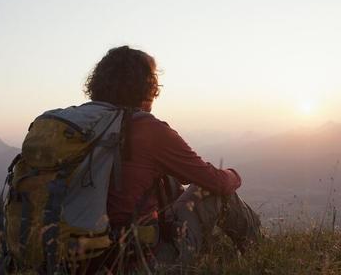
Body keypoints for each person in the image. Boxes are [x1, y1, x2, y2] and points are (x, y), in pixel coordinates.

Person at [83, 45, 261, 272]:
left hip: (77, 262)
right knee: (212, 193)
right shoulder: (147, 129)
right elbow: (215, 181)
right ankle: (260, 259)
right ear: (147, 85)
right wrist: (234, 175)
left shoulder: (80, 127)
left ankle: (219, 255)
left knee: (170, 182)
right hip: (135, 264)